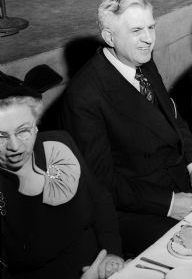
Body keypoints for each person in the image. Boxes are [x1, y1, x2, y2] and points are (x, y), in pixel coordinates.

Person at [61, 0, 192, 256]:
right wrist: (170, 204)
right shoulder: (84, 96)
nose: (149, 38)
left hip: (180, 183)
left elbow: (174, 120)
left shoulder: (140, 58)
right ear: (110, 38)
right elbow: (103, 183)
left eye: (151, 27)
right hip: (139, 209)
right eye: (136, 30)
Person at [1, 75, 125, 279]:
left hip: (103, 265)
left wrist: (112, 253)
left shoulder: (60, 144)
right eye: (1, 136)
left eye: (23, 131)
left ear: (35, 126)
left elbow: (100, 200)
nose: (14, 146)